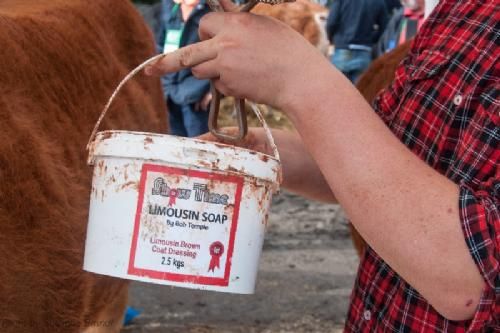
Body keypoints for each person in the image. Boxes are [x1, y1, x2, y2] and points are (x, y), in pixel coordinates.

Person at [145, 0, 499, 330]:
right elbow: (376, 168)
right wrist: (265, 149)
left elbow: (467, 279)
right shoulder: (460, 11)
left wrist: (299, 80)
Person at [157, 0, 212, 137]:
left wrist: (213, 91)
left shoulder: (211, 13)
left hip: (196, 93)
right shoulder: (170, 9)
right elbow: (159, 45)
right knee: (173, 142)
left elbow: (221, 56)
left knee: (198, 143)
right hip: (168, 91)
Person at [326, 0, 389, 83]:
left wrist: (332, 39)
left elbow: (331, 23)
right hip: (364, 51)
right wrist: (372, 39)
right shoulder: (379, 2)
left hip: (343, 49)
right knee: (359, 92)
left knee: (336, 90)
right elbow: (385, 27)